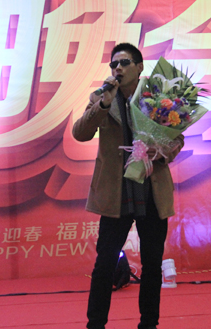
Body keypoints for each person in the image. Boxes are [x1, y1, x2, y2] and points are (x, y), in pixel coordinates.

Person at [72, 43, 184, 329]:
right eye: (114, 64)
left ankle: (149, 323)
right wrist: (103, 104)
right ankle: (95, 324)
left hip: (151, 190)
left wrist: (162, 151)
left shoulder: (159, 99)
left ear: (140, 67)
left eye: (124, 63)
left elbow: (177, 138)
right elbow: (80, 133)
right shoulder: (101, 97)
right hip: (116, 192)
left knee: (152, 264)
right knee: (105, 264)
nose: (118, 68)